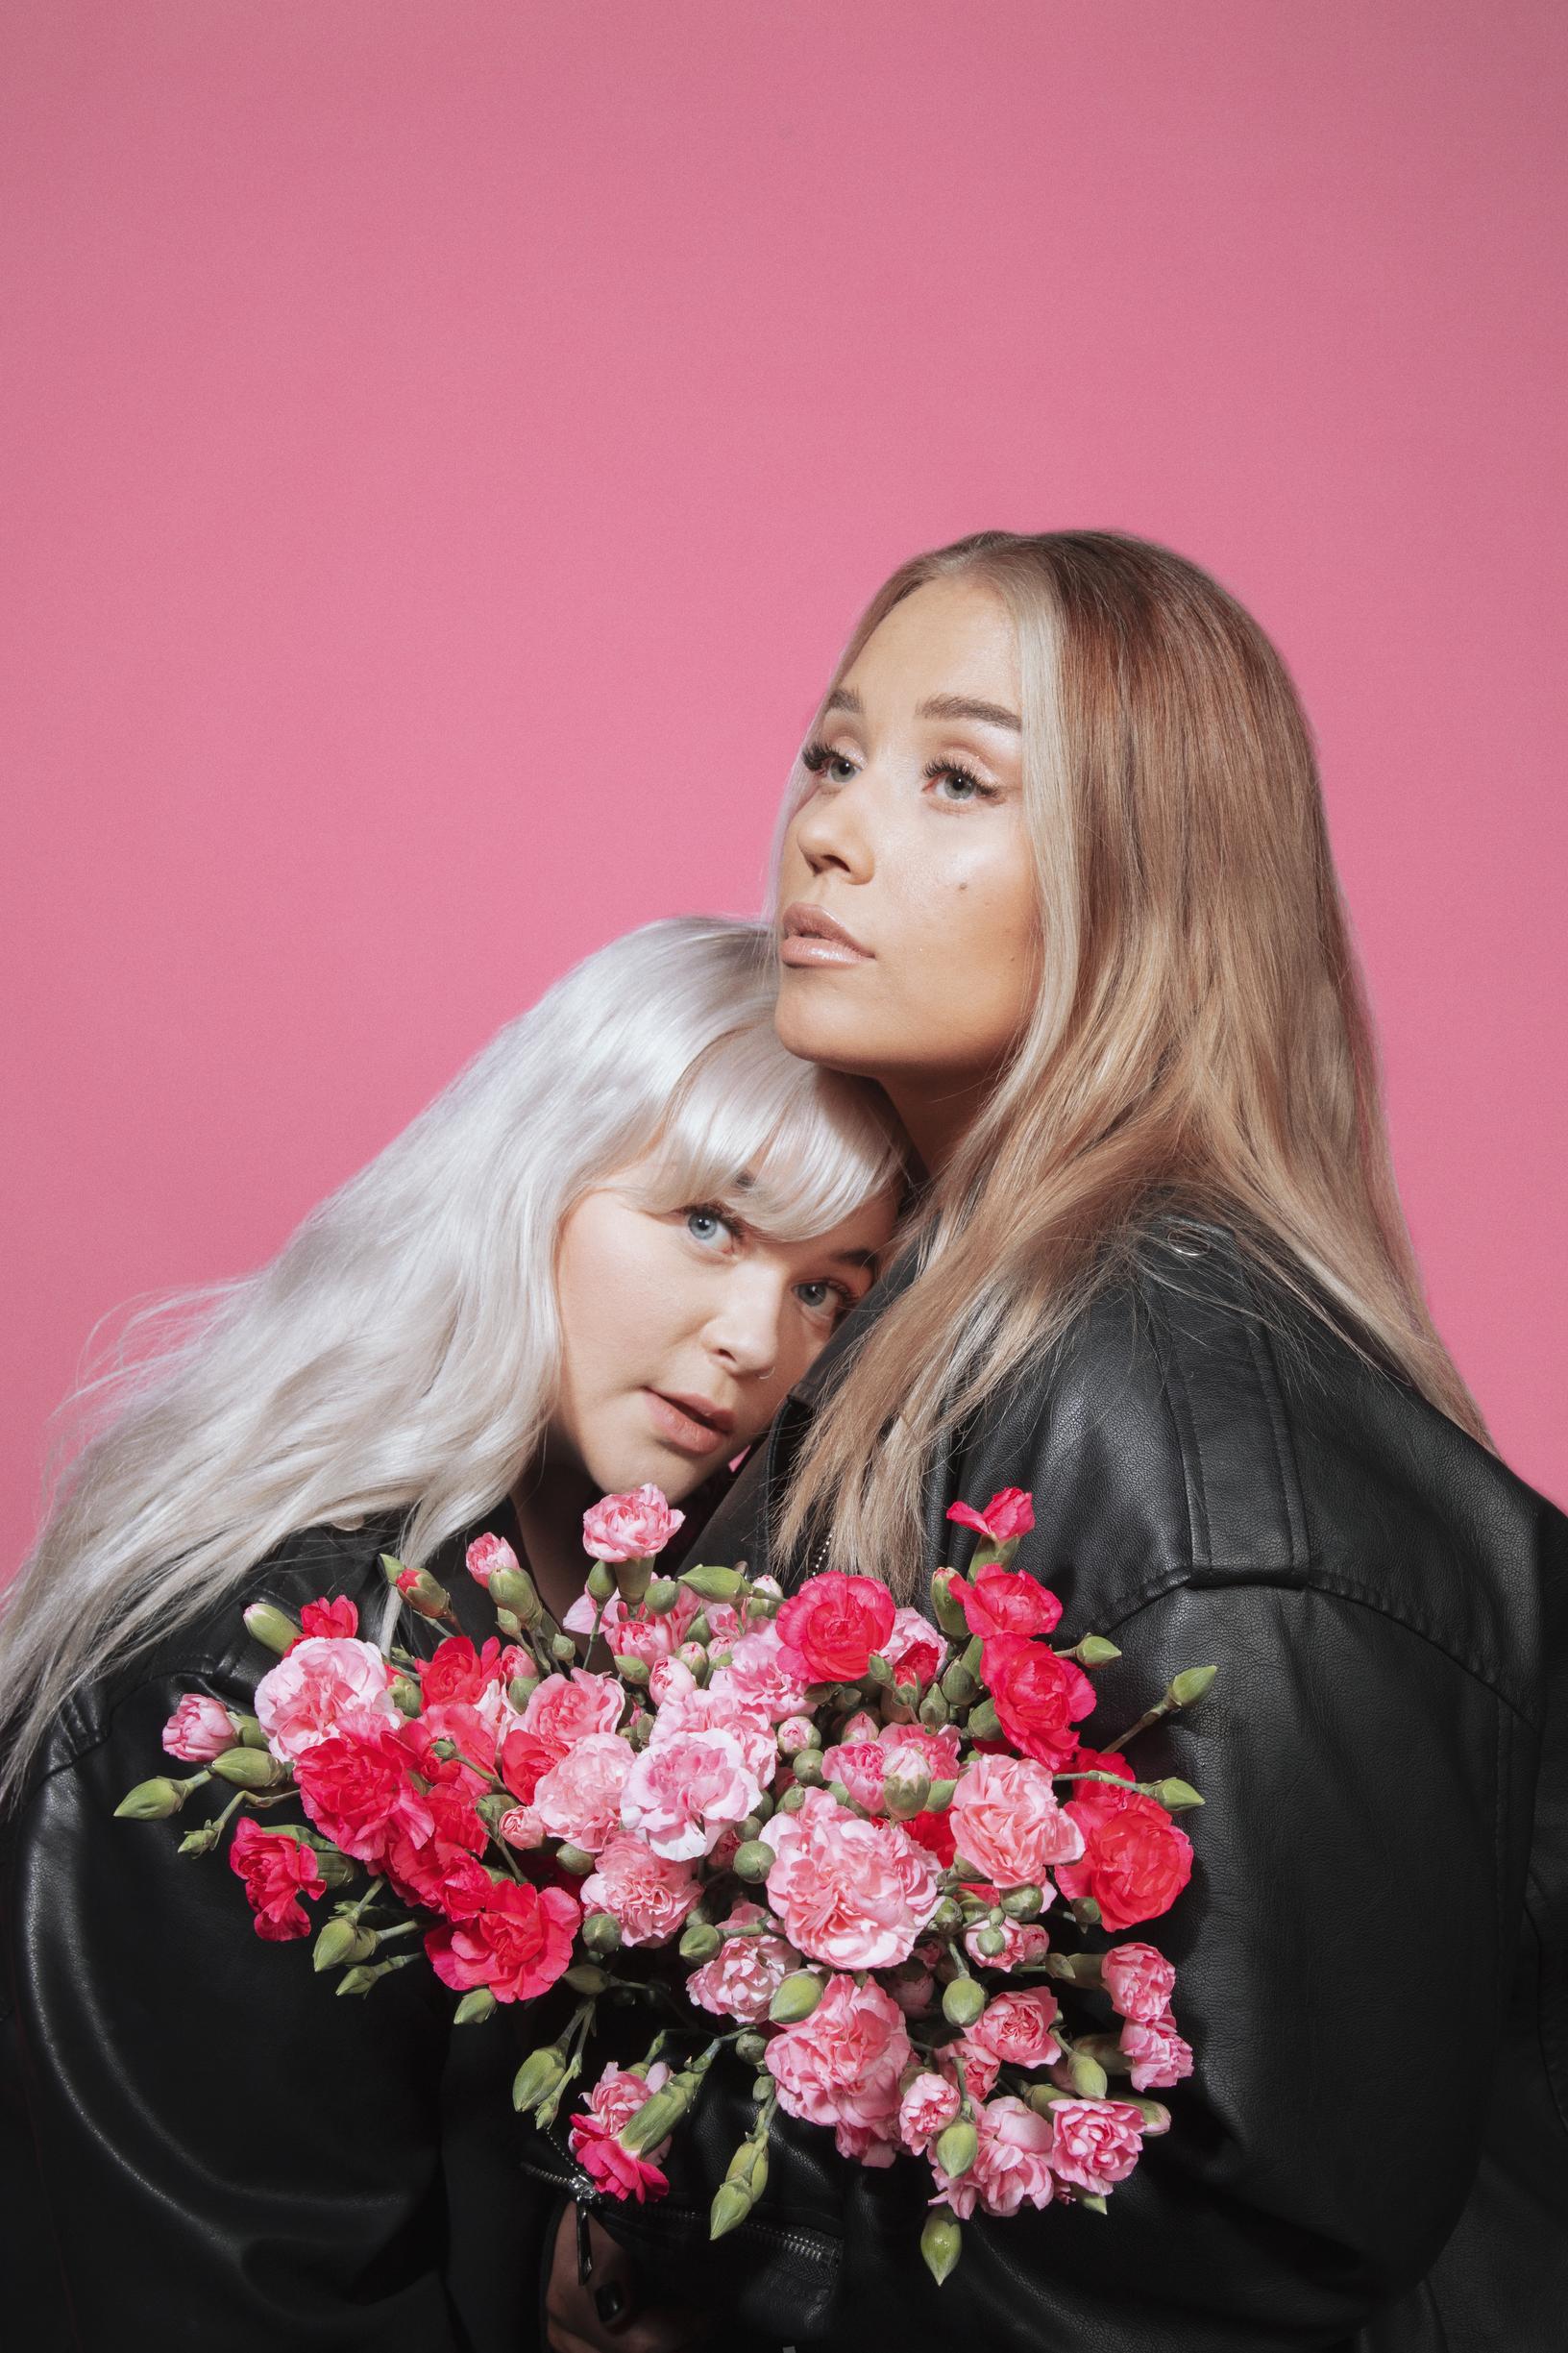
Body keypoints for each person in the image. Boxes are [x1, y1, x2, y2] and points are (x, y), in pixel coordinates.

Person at [578, 534, 1567, 2353]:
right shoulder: (955, 1321)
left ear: (1149, 876)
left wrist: (714, 2259)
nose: (831, 830)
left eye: (956, 778)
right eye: (834, 755)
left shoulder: (1185, 1403)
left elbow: (1271, 2220)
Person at [0, 915, 903, 2353]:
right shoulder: (264, 1681)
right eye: (708, 1223)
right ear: (535, 1177)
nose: (754, 1339)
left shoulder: (605, 1636)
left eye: (824, 1289)